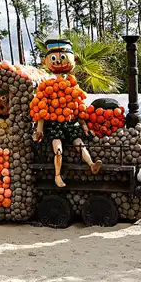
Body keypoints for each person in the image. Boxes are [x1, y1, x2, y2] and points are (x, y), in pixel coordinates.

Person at [31, 39, 101, 187]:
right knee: (58, 150)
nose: (58, 61)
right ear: (46, 62)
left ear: (73, 60)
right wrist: (39, 130)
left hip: (69, 122)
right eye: (54, 58)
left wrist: (84, 126)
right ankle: (57, 176)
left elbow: (78, 107)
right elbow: (41, 110)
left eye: (62, 57)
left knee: (79, 143)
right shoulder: (46, 86)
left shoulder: (72, 85)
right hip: (55, 124)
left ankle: (92, 164)